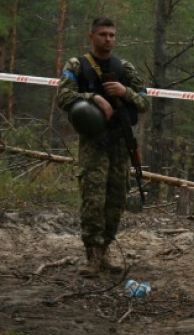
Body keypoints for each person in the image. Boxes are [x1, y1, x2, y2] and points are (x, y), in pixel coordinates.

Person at [56, 17, 149, 278]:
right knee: (93, 198)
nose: (108, 39)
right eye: (103, 35)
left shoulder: (124, 68)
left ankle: (106, 250)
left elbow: (144, 101)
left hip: (120, 143)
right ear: (92, 36)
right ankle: (93, 256)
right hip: (94, 143)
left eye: (112, 35)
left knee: (116, 199)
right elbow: (63, 97)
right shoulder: (77, 65)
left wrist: (124, 92)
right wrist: (93, 97)